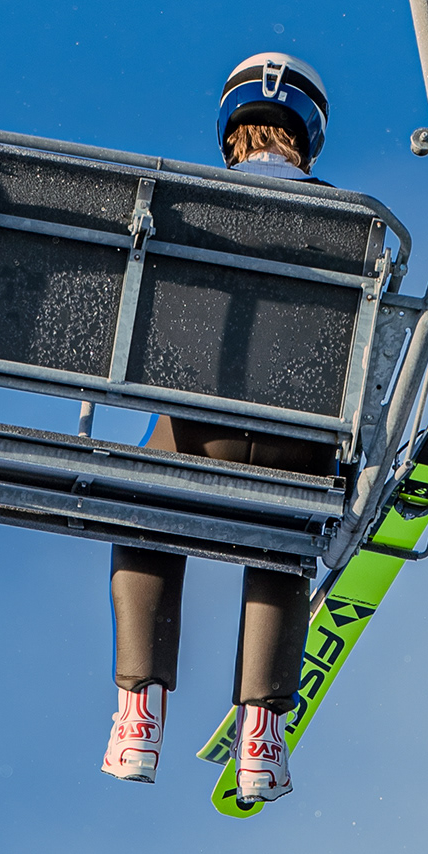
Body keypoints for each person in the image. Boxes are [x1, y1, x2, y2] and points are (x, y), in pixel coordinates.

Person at [102, 50, 336, 806]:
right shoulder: (354, 224)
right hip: (302, 444)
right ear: (309, 133)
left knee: (145, 508)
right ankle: (262, 730)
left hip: (200, 434)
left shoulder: (185, 207)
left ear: (230, 129)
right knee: (284, 533)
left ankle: (140, 713)